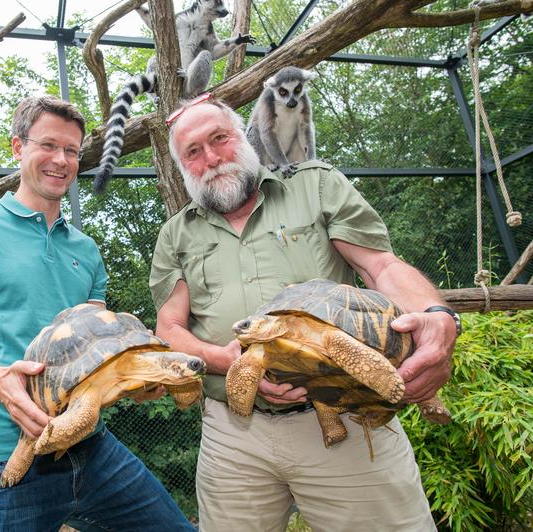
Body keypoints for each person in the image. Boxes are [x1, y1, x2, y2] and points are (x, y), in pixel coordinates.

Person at [149, 94, 459, 531]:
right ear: (183, 170)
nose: (213, 158)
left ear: (246, 137)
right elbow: (169, 329)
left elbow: (380, 265)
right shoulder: (175, 233)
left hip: (345, 415)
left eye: (220, 139)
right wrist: (231, 363)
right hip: (233, 436)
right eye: (193, 153)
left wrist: (436, 315)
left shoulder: (313, 184)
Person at [0, 95, 194, 531]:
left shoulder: (84, 251)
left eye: (71, 150)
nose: (61, 160)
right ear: (18, 147)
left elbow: (95, 354)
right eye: (48, 145)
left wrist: (135, 383)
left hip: (89, 447)